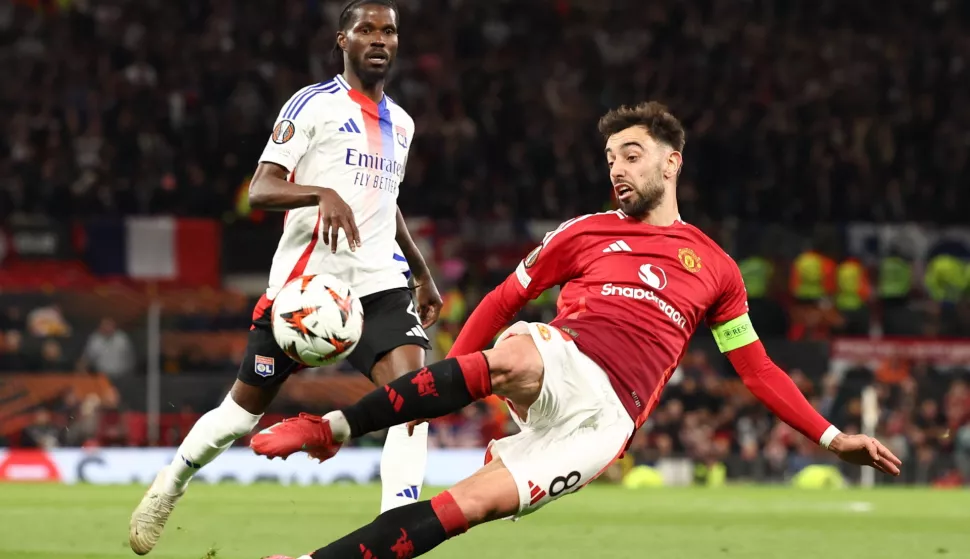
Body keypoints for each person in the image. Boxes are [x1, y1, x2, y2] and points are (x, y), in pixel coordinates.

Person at [252, 101, 902, 559]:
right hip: (566, 356)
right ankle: (331, 429)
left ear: (672, 163)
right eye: (610, 157)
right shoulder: (582, 233)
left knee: (466, 507)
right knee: (519, 352)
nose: (617, 168)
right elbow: (503, 301)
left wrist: (833, 436)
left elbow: (756, 367)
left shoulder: (717, 269)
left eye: (632, 155)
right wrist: (434, 391)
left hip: (607, 422)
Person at [129, 0, 443, 554]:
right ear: (342, 40)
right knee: (238, 416)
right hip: (307, 291)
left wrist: (420, 270)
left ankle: (395, 533)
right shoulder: (313, 105)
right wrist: (321, 193)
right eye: (366, 29)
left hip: (378, 282)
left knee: (412, 401)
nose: (379, 39)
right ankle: (169, 484)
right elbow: (261, 189)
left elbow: (384, 200)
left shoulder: (404, 122)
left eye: (389, 31)